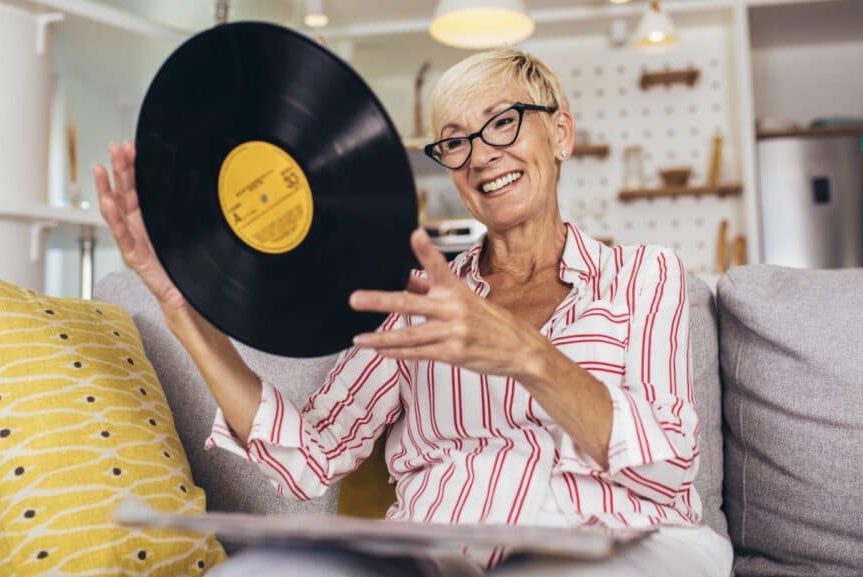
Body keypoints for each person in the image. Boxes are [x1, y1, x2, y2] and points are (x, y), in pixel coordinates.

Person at [93, 48, 732, 576]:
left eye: (503, 122)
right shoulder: (416, 302)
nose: (481, 155)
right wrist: (178, 305)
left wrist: (527, 356)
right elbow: (309, 456)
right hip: (442, 556)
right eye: (454, 142)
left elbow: (669, 462)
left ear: (560, 133)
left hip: (620, 545)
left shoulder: (643, 276)